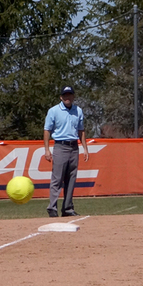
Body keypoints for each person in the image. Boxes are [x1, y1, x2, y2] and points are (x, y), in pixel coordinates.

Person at [43, 85, 90, 218]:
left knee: (71, 179)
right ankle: (52, 207)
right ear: (61, 97)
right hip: (60, 146)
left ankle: (68, 208)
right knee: (57, 178)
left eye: (69, 95)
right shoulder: (54, 111)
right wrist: (47, 149)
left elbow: (81, 130)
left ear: (73, 96)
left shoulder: (78, 111)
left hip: (74, 147)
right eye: (65, 95)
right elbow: (47, 130)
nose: (67, 97)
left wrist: (85, 148)